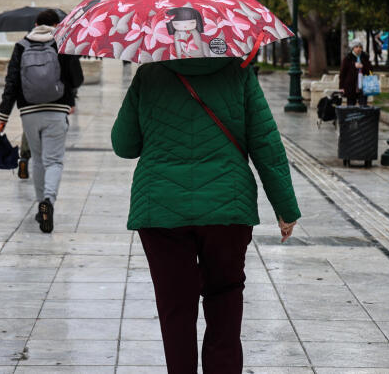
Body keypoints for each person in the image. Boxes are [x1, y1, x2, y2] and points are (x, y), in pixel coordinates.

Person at [111, 57, 300, 374]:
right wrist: (285, 207)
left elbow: (124, 144)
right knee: (225, 298)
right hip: (228, 206)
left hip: (160, 208)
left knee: (176, 307)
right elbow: (265, 141)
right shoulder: (238, 72)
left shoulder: (149, 74)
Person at [0, 9, 83, 233]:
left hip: (29, 112)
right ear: (56, 24)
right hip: (56, 108)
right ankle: (48, 201)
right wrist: (70, 97)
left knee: (37, 159)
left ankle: (39, 204)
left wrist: (3, 117)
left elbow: (11, 83)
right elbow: (77, 78)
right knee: (54, 161)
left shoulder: (21, 46)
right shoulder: (62, 43)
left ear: (35, 23)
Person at [339, 40, 373, 106]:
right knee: (351, 105)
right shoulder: (348, 58)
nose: (358, 49)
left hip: (363, 85)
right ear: (353, 48)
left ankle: (362, 115)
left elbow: (371, 69)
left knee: (363, 105)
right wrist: (341, 87)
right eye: (356, 47)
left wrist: (363, 66)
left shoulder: (365, 57)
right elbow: (342, 73)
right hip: (351, 86)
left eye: (360, 47)